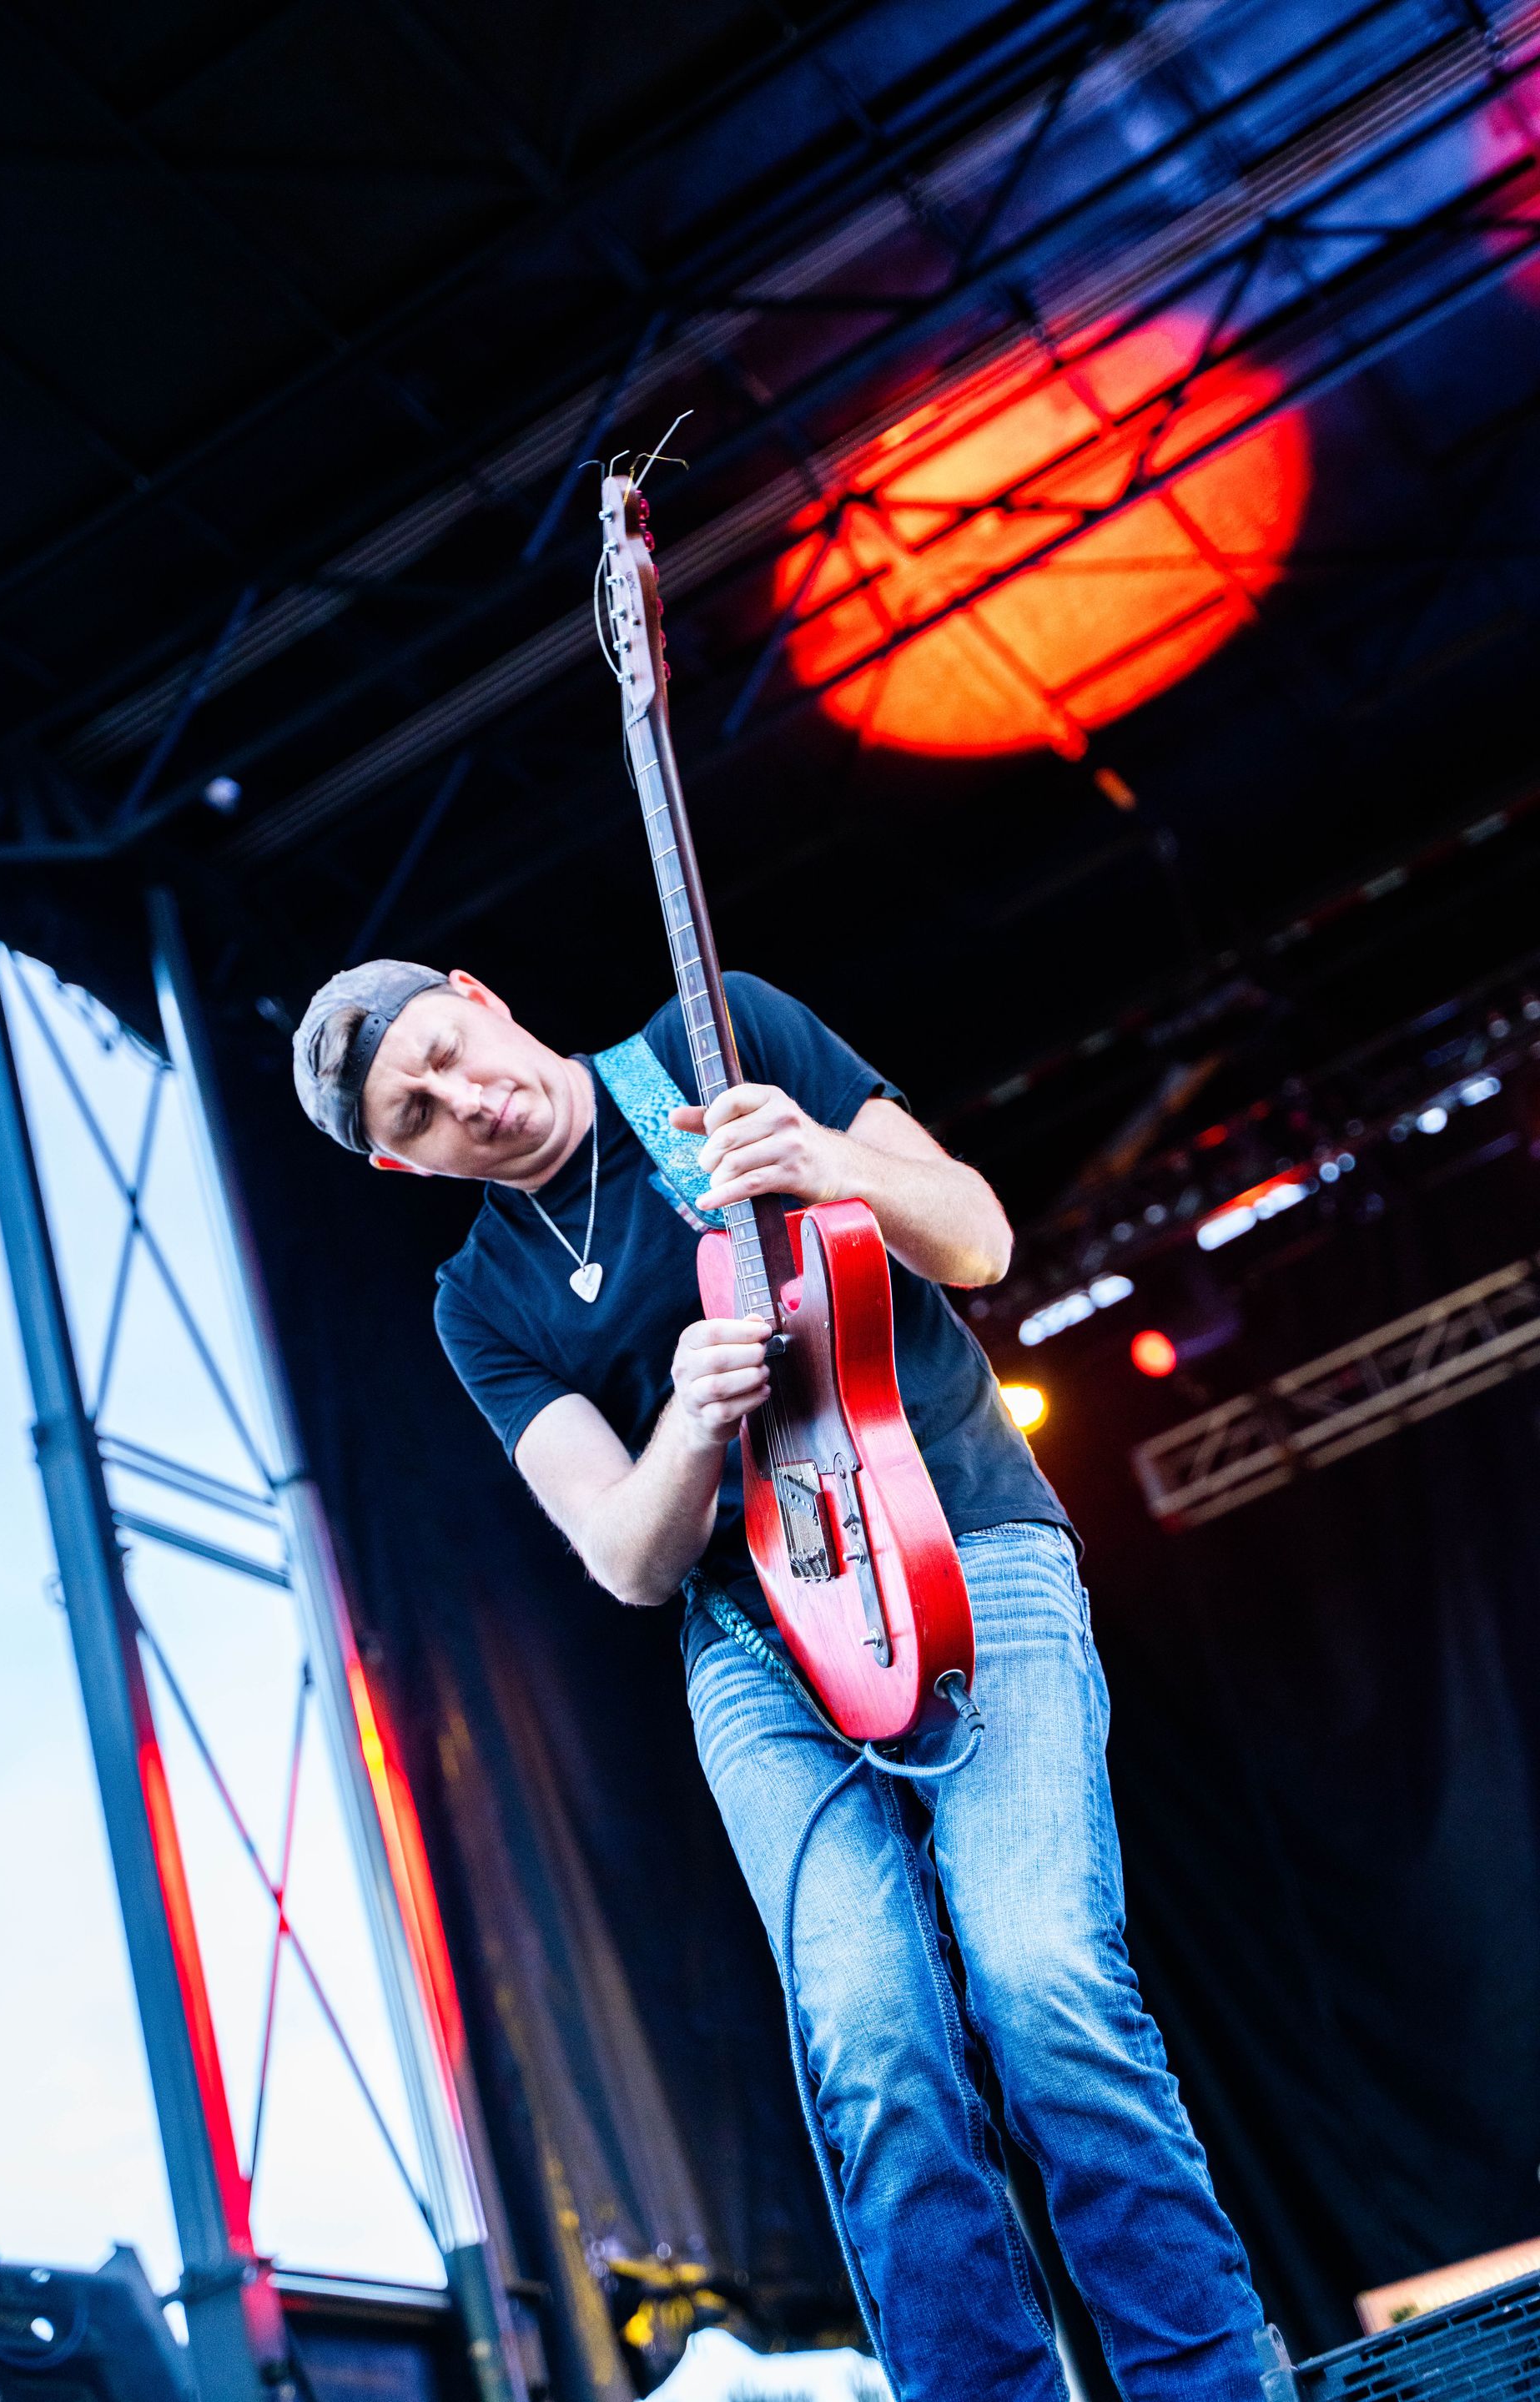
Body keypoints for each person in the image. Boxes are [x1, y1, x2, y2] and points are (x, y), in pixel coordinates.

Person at [293, 956, 1269, 2402]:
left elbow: (980, 1239)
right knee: (875, 2046)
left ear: (478, 995)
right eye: (418, 1114)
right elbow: (626, 1555)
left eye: (445, 1050)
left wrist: (820, 1159)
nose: (465, 1100)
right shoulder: (479, 1303)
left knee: (1040, 1974)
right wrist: (691, 1422)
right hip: (755, 1649)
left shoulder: (719, 1032)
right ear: (400, 1159)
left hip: (955, 1540)